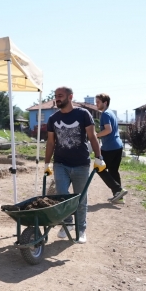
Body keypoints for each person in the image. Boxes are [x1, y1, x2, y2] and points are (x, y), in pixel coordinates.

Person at [44, 87, 106, 244]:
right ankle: (68, 223)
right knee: (61, 196)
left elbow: (92, 137)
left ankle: (81, 229)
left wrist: (99, 157)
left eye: (60, 96)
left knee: (80, 198)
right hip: (60, 163)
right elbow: (51, 142)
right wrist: (46, 163)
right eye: (55, 96)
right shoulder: (53, 119)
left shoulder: (83, 114)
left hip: (81, 164)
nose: (57, 99)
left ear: (70, 97)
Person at [95, 93, 128, 204]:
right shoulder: (111, 113)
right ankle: (119, 197)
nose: (96, 104)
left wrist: (96, 135)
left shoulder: (105, 114)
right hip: (118, 146)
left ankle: (118, 190)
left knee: (99, 168)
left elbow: (108, 130)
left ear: (105, 103)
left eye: (98, 102)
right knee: (113, 171)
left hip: (109, 147)